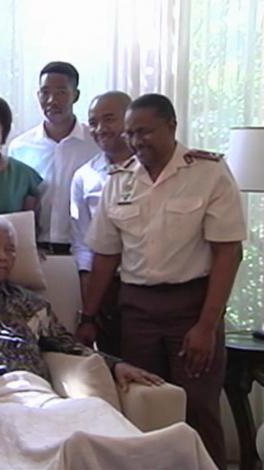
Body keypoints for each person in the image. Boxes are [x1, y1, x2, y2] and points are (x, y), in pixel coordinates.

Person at [0, 216, 216, 470]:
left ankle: (160, 452)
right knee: (60, 439)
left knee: (92, 408)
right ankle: (75, 453)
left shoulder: (32, 302)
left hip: (40, 393)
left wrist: (116, 364)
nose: (2, 256)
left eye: (10, 249)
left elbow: (68, 344)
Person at [78, 93, 246, 469]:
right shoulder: (119, 179)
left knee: (198, 408)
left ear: (172, 126)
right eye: (130, 133)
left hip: (192, 308)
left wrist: (207, 326)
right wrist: (88, 316)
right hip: (137, 310)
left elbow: (228, 253)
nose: (136, 141)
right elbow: (105, 256)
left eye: (145, 132)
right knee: (145, 409)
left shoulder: (209, 173)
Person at [8, 61, 99, 254]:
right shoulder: (21, 147)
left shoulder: (95, 144)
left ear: (76, 95)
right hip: (36, 250)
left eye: (61, 92)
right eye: (45, 92)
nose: (51, 100)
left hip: (85, 251)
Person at [69, 91, 132, 355]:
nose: (100, 129)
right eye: (93, 122)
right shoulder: (85, 176)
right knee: (114, 364)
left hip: (148, 287)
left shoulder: (153, 169)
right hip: (106, 287)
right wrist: (89, 304)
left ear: (130, 120)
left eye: (109, 119)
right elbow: (82, 243)